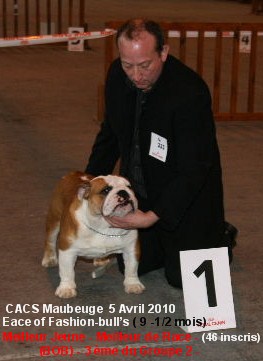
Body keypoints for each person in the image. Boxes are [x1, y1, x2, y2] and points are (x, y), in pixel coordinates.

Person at [85, 19, 237, 288]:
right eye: (127, 64)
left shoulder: (190, 93)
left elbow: (195, 168)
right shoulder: (117, 76)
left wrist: (152, 216)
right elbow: (109, 134)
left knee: (182, 280)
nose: (135, 75)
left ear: (163, 52)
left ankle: (220, 235)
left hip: (187, 198)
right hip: (141, 191)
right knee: (135, 266)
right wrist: (89, 182)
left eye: (144, 65)